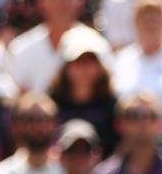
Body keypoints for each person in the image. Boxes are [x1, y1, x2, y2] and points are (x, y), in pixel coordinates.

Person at [8, 0, 107, 94]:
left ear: (80, 1)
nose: (61, 4)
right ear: (41, 3)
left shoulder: (97, 45)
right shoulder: (21, 47)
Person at [47, 27, 118, 157]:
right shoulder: (51, 103)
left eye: (90, 62)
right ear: (66, 67)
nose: (84, 69)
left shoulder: (112, 104)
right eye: (78, 62)